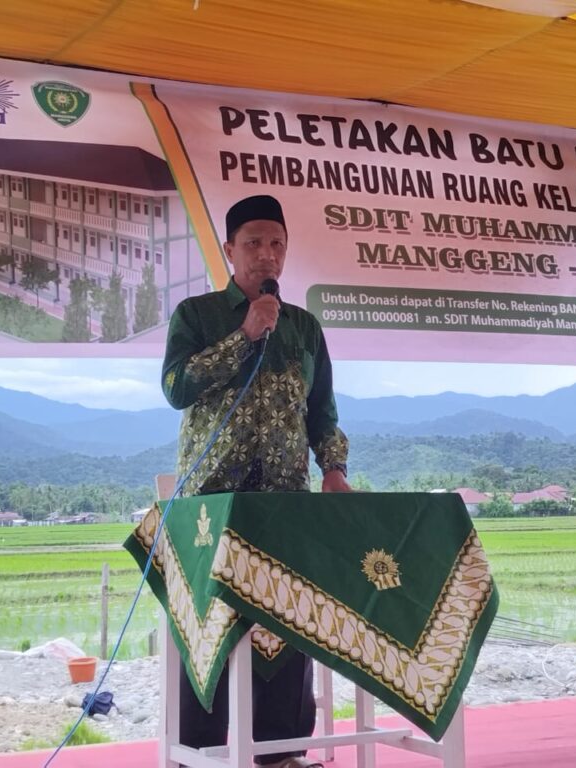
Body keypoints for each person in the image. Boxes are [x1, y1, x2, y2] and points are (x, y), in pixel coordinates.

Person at [161, 194, 351, 768]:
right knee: (213, 631)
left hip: (285, 501)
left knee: (288, 625)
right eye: (253, 244)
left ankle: (284, 752)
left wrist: (334, 470)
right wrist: (243, 335)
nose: (266, 256)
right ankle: (207, 753)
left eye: (276, 245)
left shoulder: (304, 327)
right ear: (229, 250)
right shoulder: (196, 315)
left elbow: (322, 411)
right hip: (213, 504)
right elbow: (176, 388)